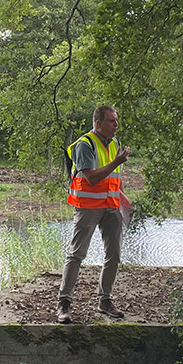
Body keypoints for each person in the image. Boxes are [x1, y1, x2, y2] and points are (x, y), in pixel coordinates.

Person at [57, 105, 130, 324]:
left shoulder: (114, 143)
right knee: (77, 254)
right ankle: (64, 303)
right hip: (88, 206)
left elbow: (116, 176)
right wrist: (117, 161)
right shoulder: (84, 144)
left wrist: (123, 198)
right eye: (111, 121)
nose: (116, 125)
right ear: (98, 123)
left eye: (116, 120)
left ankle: (105, 301)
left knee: (114, 254)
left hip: (111, 205)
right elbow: (91, 178)